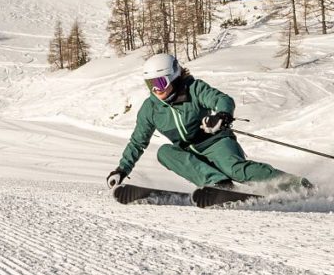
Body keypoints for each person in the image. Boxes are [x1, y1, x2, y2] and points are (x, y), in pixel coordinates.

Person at [106, 53, 311, 193]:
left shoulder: (193, 88)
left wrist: (221, 115)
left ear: (174, 76)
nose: (156, 90)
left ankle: (296, 185)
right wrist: (122, 169)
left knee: (236, 170)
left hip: (215, 141)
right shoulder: (150, 108)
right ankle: (218, 184)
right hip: (189, 153)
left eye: (160, 82)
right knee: (164, 153)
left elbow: (222, 100)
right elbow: (137, 142)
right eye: (150, 84)